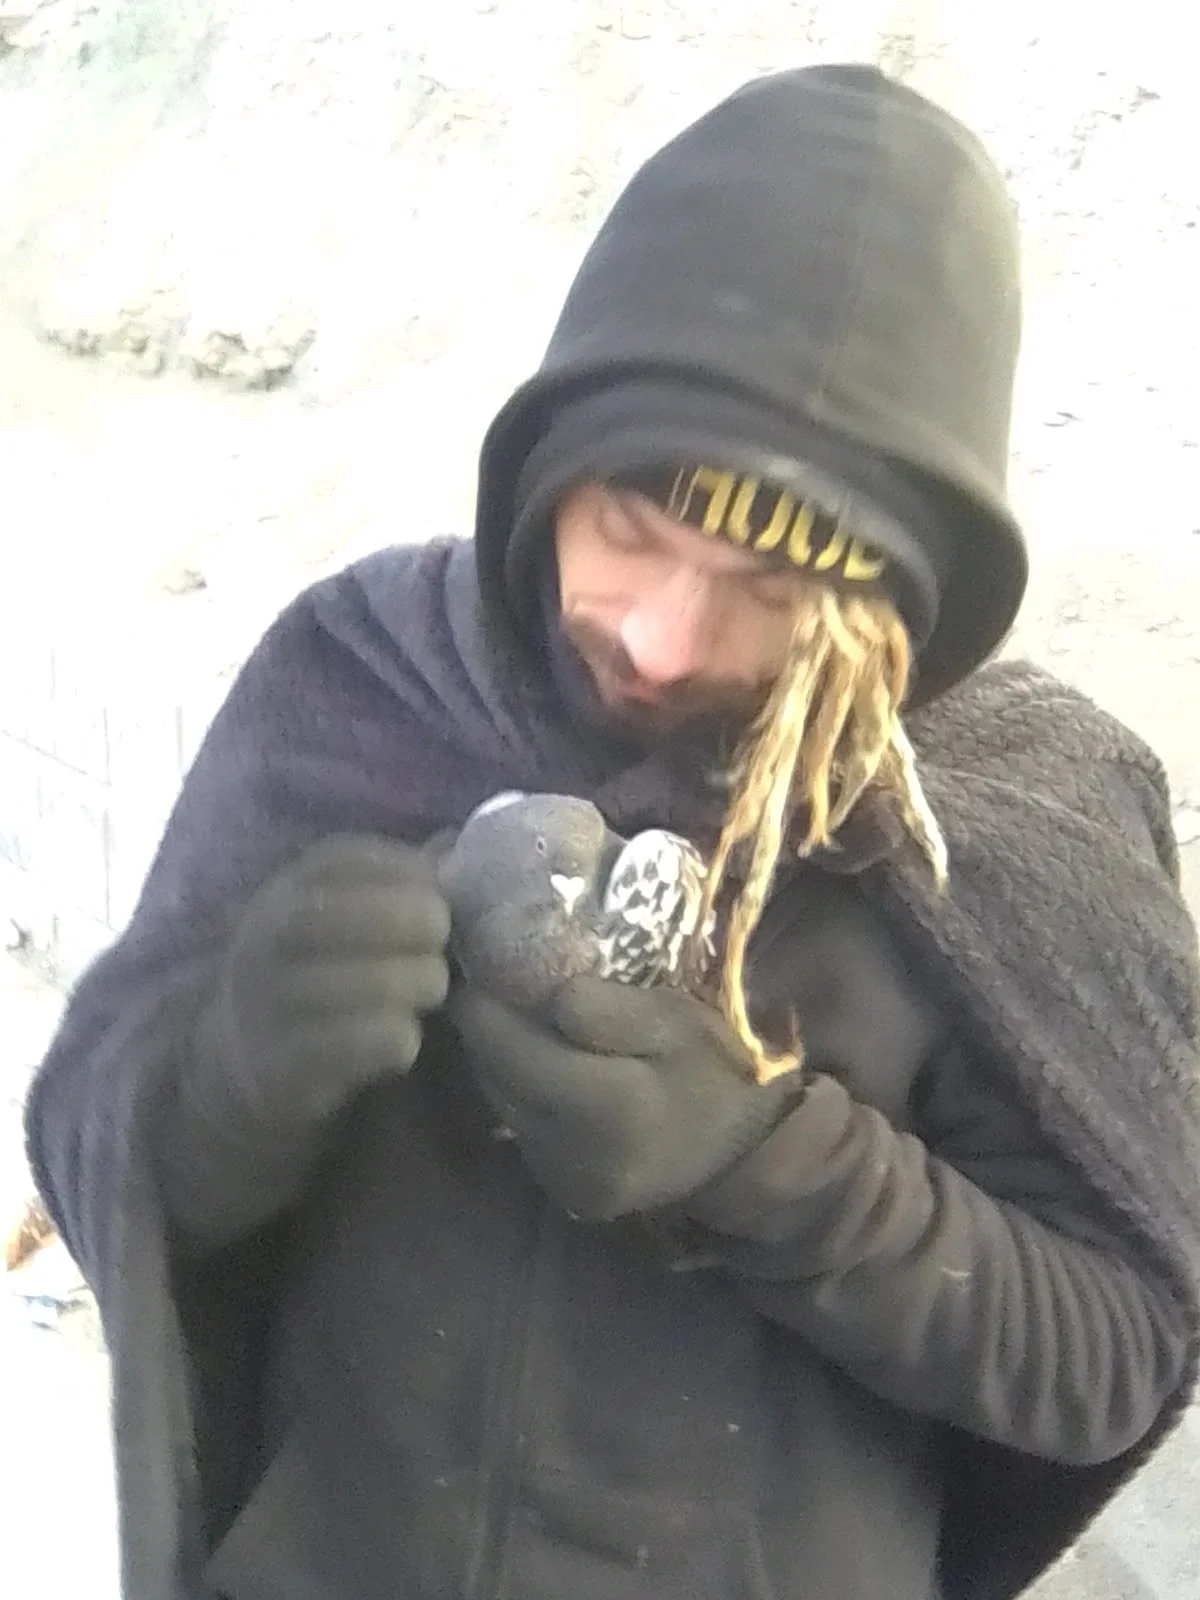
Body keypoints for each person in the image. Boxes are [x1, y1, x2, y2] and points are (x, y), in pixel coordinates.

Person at [24, 62, 1200, 1600]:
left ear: (897, 604)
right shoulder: (366, 674)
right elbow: (108, 1145)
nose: (656, 637)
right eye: (628, 531)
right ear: (548, 472)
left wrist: (766, 1157)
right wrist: (225, 1083)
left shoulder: (1008, 821)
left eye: (770, 592)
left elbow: (1110, 1359)